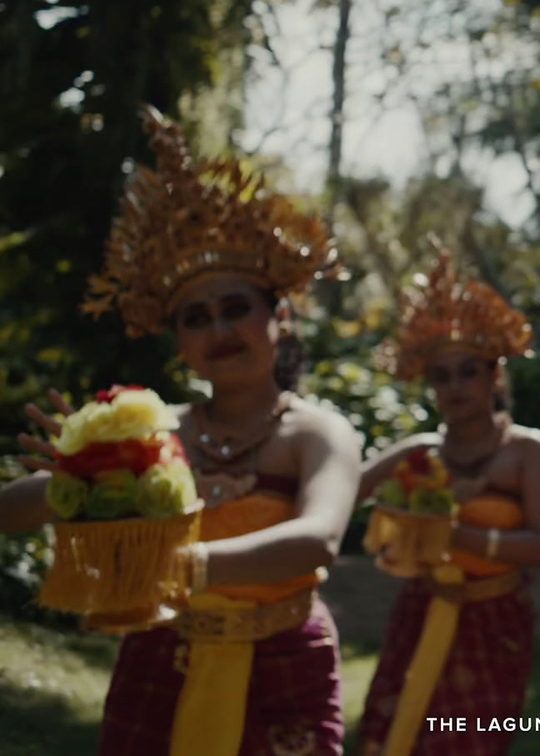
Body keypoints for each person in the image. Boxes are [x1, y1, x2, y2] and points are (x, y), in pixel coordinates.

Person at [0, 107, 360, 755]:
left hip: (285, 661)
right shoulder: (152, 429)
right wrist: (71, 479)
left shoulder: (319, 433)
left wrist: (170, 564)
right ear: (179, 340)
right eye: (196, 316)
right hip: (159, 654)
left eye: (236, 308)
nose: (220, 330)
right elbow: (15, 513)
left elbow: (317, 541)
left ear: (278, 315)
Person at [355, 247, 540, 756]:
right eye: (441, 376)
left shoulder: (525, 450)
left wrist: (454, 536)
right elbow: (335, 495)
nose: (455, 386)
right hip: (421, 611)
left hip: (495, 623)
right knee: (394, 738)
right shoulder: (420, 452)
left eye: (467, 370)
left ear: (494, 374)